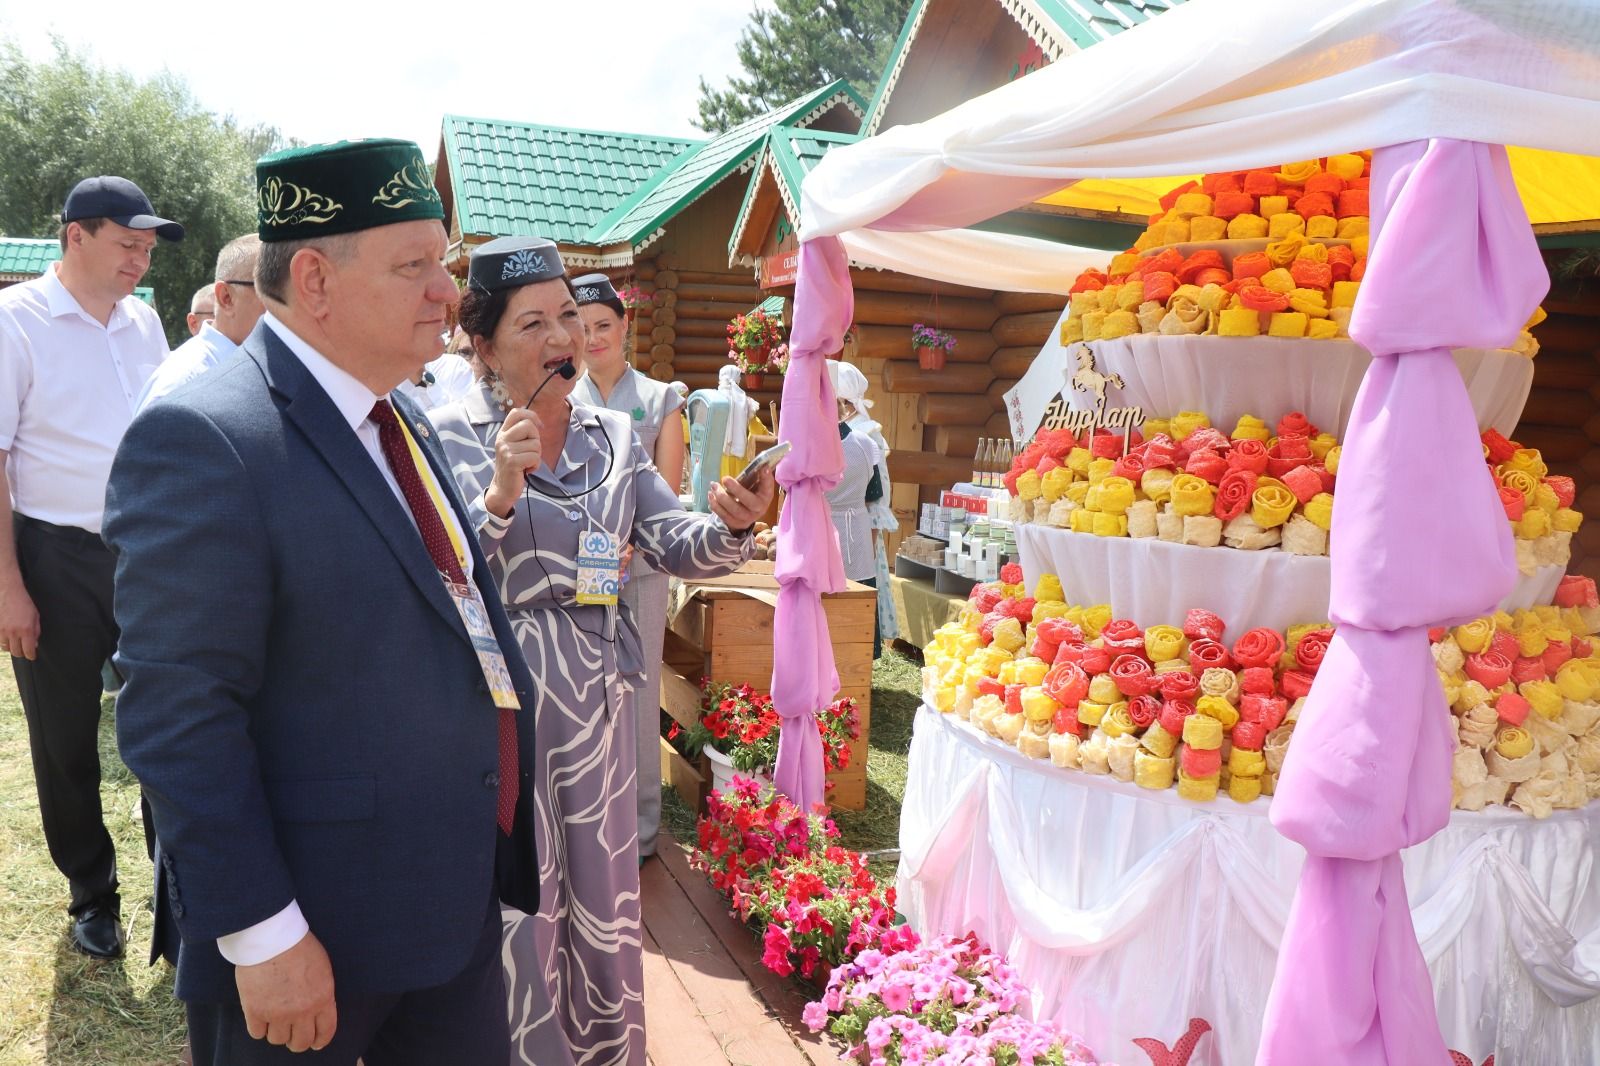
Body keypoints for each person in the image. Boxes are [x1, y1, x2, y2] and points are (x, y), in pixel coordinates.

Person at [104, 139, 538, 1065]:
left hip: (444, 905)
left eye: (445, 262)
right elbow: (177, 713)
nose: (448, 291)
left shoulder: (399, 413)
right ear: (315, 280)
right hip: (310, 935)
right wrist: (262, 933)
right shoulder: (206, 436)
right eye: (414, 265)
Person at [428, 235, 773, 1066]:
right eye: (533, 323)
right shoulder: (448, 435)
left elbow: (674, 541)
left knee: (601, 887)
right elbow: (437, 578)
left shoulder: (614, 435)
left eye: (569, 318)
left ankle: (605, 1049)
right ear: (484, 347)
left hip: (600, 702)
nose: (562, 338)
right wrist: (500, 497)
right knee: (522, 894)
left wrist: (731, 523)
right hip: (503, 706)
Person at [0, 174, 180, 959]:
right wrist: (8, 586)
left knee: (172, 719)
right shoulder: (15, 321)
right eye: (128, 244)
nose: (141, 260)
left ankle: (176, 884)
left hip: (146, 550)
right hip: (54, 557)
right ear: (76, 236)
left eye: (148, 249)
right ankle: (92, 893)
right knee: (65, 738)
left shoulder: (143, 323)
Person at [570, 272, 685, 860]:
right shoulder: (562, 399)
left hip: (640, 565)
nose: (593, 338)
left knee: (638, 693)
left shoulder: (662, 399)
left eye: (603, 325)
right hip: (579, 565)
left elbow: (667, 495)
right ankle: (588, 818)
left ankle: (640, 827)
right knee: (584, 686)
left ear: (625, 326)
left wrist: (632, 548)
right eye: (582, 327)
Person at [137, 234, 264, 410]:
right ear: (226, 297)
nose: (288, 302)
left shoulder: (260, 368)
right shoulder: (181, 387)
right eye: (270, 289)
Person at [829, 356, 900, 652]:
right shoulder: (850, 433)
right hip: (851, 523)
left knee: (858, 589)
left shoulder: (864, 434)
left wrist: (870, 534)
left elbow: (876, 493)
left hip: (861, 525)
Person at [395, 325, 476, 414]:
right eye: (466, 352)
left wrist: (423, 378)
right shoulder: (386, 386)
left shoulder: (454, 367)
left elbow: (466, 417)